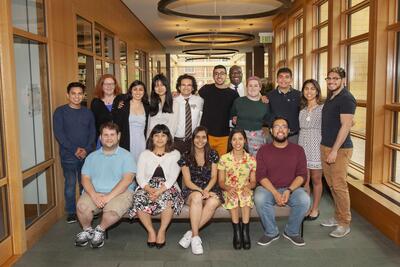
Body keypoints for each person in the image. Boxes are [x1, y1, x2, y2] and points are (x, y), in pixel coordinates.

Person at [74, 122, 136, 248]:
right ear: (100, 137)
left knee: (111, 212)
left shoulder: (127, 156)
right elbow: (85, 179)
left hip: (121, 193)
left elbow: (127, 181)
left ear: (118, 136)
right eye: (105, 135)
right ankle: (87, 231)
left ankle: (100, 230)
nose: (109, 138)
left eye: (112, 134)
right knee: (81, 207)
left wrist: (107, 198)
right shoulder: (91, 157)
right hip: (95, 192)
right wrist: (94, 195)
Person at [254, 117, 310, 247]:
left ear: (288, 131)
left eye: (284, 126)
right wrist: (274, 193)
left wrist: (289, 190)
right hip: (268, 189)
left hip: (292, 189)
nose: (280, 129)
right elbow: (261, 176)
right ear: (271, 131)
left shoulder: (298, 150)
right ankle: (271, 232)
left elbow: (302, 175)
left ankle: (291, 231)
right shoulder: (263, 150)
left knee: (304, 199)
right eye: (277, 126)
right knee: (259, 197)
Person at [132, 124, 184, 249]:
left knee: (168, 198)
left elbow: (172, 177)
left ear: (168, 138)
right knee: (138, 198)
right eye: (156, 135)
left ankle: (161, 231)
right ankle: (150, 231)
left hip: (168, 186)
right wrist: (150, 190)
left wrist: (159, 191)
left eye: (163, 135)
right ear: (151, 138)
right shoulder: (144, 154)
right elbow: (139, 177)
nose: (160, 139)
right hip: (147, 186)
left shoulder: (175, 154)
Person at [320, 67, 356, 238]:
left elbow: (346, 125)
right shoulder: (332, 97)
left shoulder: (347, 98)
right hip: (326, 146)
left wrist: (334, 150)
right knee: (332, 185)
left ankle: (344, 223)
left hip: (339, 149)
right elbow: (348, 121)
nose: (332, 81)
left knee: (340, 186)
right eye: (329, 78)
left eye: (336, 78)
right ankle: (337, 216)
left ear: (343, 80)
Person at [53, 82, 96, 223]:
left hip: (87, 155)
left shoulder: (88, 112)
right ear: (68, 95)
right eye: (73, 93)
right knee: (70, 185)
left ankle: (88, 208)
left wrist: (87, 150)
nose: (76, 96)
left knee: (86, 184)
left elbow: (92, 133)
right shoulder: (60, 112)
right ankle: (71, 212)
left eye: (79, 93)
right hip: (69, 156)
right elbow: (59, 134)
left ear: (83, 95)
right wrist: (75, 150)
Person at [177, 126, 222, 255]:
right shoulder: (185, 156)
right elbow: (187, 181)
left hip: (211, 188)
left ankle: (190, 233)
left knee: (213, 202)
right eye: (197, 137)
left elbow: (214, 177)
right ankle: (196, 238)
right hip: (192, 190)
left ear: (207, 139)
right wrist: (202, 191)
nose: (200, 140)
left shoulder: (213, 154)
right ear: (193, 139)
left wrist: (207, 190)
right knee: (197, 197)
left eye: (203, 137)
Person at [218, 128, 257, 250]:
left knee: (246, 196)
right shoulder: (224, 159)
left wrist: (249, 186)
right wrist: (228, 188)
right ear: (230, 142)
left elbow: (254, 181)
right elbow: (221, 181)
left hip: (245, 187)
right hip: (229, 188)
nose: (237, 142)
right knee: (233, 196)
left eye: (240, 139)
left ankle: (245, 231)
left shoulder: (251, 159)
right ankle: (236, 231)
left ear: (245, 140)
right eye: (234, 139)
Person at [298, 79, 324, 221]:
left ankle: (315, 208)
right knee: (305, 180)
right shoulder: (301, 110)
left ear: (317, 91)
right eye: (306, 88)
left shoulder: (323, 108)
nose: (309, 91)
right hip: (303, 146)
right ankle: (307, 208)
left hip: (316, 146)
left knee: (316, 179)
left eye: (312, 89)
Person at [199, 65, 239, 156]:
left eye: (222, 73)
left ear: (226, 75)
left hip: (224, 135)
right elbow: (194, 98)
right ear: (213, 76)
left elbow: (238, 110)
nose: (219, 76)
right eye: (216, 74)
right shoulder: (206, 89)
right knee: (206, 163)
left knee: (222, 165)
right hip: (206, 134)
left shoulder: (233, 94)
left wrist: (262, 97)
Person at [231, 76, 270, 156]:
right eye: (250, 85)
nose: (253, 88)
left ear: (260, 88)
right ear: (246, 87)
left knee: (256, 164)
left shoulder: (265, 104)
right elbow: (233, 116)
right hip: (240, 138)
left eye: (256, 85)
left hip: (257, 139)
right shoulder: (238, 101)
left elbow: (268, 121)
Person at [112, 80, 149, 163]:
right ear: (130, 91)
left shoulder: (147, 106)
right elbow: (117, 125)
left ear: (144, 92)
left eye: (141, 89)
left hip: (142, 142)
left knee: (141, 166)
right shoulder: (123, 105)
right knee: (127, 167)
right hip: (126, 141)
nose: (138, 92)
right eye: (135, 89)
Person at [267, 67, 301, 143]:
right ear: (277, 79)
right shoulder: (269, 96)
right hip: (274, 137)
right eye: (281, 77)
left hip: (293, 136)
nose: (283, 80)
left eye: (287, 77)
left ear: (291, 80)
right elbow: (267, 115)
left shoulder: (299, 95)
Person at [174, 74, 204, 155]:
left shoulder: (200, 100)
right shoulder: (173, 101)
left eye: (189, 85)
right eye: (183, 85)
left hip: (194, 142)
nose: (186, 87)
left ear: (193, 87)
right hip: (176, 142)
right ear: (179, 87)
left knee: (192, 166)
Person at [91, 74, 122, 148]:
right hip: (103, 141)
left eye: (112, 84)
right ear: (101, 86)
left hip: (120, 140)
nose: (109, 86)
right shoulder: (96, 103)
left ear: (115, 85)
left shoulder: (121, 100)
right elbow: (93, 124)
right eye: (106, 84)